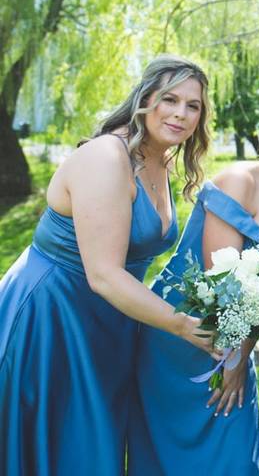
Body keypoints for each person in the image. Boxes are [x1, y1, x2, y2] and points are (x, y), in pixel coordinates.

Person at [0, 55, 216, 475]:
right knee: (48, 441)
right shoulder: (107, 157)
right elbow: (103, 273)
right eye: (170, 99)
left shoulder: (160, 159)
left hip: (110, 322)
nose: (181, 113)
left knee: (88, 444)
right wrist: (181, 325)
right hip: (53, 318)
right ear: (145, 98)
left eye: (194, 106)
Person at [128, 89, 259, 474]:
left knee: (236, 454)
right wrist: (236, 357)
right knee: (173, 456)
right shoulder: (238, 181)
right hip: (182, 331)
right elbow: (222, 280)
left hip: (237, 334)